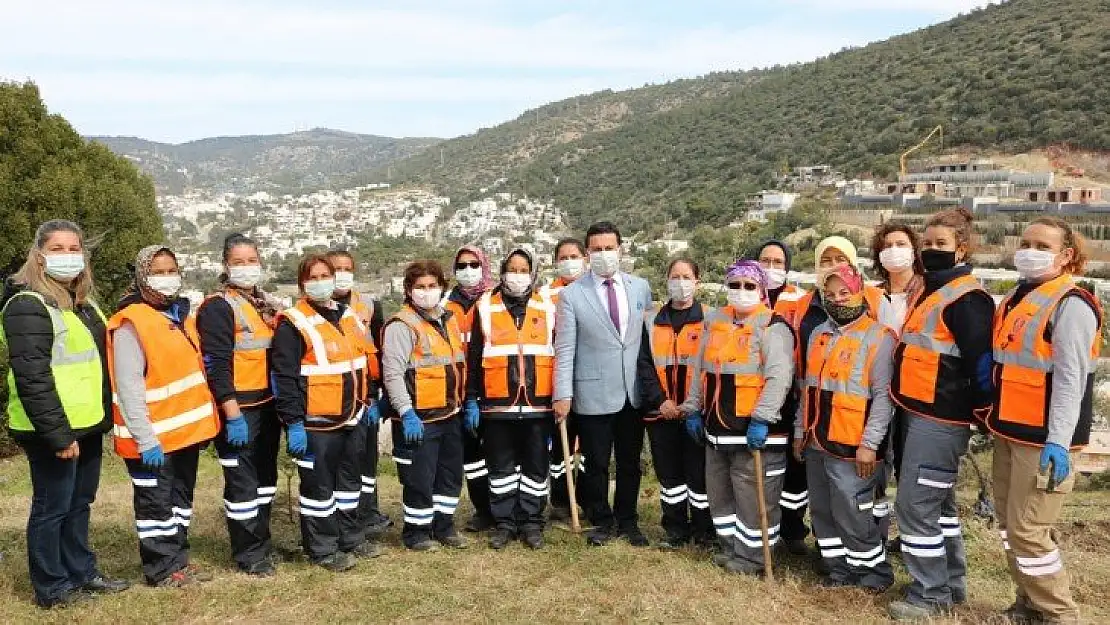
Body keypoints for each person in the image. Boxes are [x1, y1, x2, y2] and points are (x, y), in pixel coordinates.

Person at [0, 220, 129, 608]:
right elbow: (32, 376)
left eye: (74, 248)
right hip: (51, 429)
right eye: (57, 248)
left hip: (87, 424)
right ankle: (52, 587)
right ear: (38, 255)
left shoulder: (82, 305)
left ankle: (82, 572)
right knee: (51, 507)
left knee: (79, 502)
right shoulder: (27, 305)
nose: (68, 255)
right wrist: (58, 434)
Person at [989, 218, 1100, 625]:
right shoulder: (1018, 298)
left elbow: (1071, 379)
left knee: (1029, 531)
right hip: (1009, 431)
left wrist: (1058, 441)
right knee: (1009, 528)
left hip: (1043, 442)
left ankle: (1060, 615)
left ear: (1066, 255)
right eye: (1026, 242)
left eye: (1042, 244)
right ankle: (1029, 605)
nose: (1030, 250)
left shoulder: (1071, 304)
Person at [887, 207, 995, 621]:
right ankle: (950, 585)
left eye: (940, 244)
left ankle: (929, 594)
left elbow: (981, 364)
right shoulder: (933, 291)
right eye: (926, 243)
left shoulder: (968, 299)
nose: (931, 250)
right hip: (917, 411)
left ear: (962, 249)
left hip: (941, 418)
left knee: (915, 505)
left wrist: (983, 411)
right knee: (940, 508)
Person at [107, 245, 220, 587]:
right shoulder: (131, 324)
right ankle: (161, 568)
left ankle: (178, 559)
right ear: (142, 276)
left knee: (179, 502)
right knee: (156, 506)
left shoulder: (179, 317)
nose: (167, 277)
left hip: (183, 435)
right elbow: (128, 389)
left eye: (172, 270)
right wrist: (145, 440)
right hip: (151, 439)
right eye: (159, 271)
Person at [678, 260, 793, 575]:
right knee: (720, 494)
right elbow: (699, 370)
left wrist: (762, 418)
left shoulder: (773, 325)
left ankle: (754, 558)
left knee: (754, 500)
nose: (741, 292)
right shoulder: (715, 320)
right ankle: (731, 549)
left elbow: (778, 377)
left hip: (752, 429)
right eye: (734, 285)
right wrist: (692, 408)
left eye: (749, 286)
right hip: (716, 428)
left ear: (761, 290)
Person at [795, 265, 897, 592]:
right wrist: (800, 432)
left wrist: (869, 444)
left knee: (854, 513)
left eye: (845, 293)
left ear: (860, 293)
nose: (838, 300)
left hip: (853, 447)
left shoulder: (880, 338)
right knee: (823, 511)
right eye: (830, 294)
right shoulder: (818, 334)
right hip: (817, 440)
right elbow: (807, 389)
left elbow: (884, 398)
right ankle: (839, 572)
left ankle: (873, 575)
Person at [553, 222, 653, 547]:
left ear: (621, 249)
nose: (603, 254)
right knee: (595, 463)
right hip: (592, 391)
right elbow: (565, 348)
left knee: (629, 461)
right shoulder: (571, 294)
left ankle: (628, 520)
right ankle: (602, 519)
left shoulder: (640, 288)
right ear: (587, 254)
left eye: (609, 248)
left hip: (631, 393)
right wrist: (562, 394)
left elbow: (648, 341)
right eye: (596, 249)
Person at [271, 254, 371, 571]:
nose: (321, 281)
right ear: (302, 284)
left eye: (325, 275)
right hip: (316, 424)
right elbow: (284, 377)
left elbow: (362, 361)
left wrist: (368, 401)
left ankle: (350, 538)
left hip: (352, 417)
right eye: (313, 277)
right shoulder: (292, 322)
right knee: (318, 489)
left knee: (348, 484)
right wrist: (294, 424)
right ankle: (322, 548)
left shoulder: (347, 315)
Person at [194, 234, 282, 576]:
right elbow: (216, 363)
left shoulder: (264, 305)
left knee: (265, 480)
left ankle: (262, 541)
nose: (246, 268)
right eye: (238, 262)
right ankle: (249, 553)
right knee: (243, 483)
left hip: (266, 405)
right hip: (239, 409)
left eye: (251, 260)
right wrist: (231, 413)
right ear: (225, 266)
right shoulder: (218, 307)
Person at [466, 248, 555, 549]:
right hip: (497, 403)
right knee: (501, 467)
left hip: (538, 403)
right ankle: (504, 522)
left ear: (532, 273)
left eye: (523, 269)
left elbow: (559, 351)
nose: (517, 275)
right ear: (502, 272)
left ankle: (531, 522)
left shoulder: (547, 306)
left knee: (535, 466)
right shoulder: (484, 306)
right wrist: (471, 398)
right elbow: (474, 354)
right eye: (512, 269)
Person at [382, 260, 468, 551]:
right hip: (420, 419)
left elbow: (456, 364)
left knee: (449, 476)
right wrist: (406, 413)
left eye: (432, 286)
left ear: (442, 288)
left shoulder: (449, 319)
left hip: (450, 413)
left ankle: (444, 526)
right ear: (409, 290)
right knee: (420, 479)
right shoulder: (401, 325)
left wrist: (465, 404)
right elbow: (393, 374)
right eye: (420, 287)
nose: (427, 292)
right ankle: (417, 533)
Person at [641, 258, 713, 549]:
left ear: (697, 280)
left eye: (686, 276)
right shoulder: (651, 319)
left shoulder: (712, 319)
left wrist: (692, 406)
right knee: (669, 477)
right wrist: (661, 401)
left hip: (697, 413)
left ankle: (705, 532)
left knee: (699, 477)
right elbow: (644, 365)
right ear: (666, 280)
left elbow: (712, 367)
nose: (680, 283)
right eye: (675, 276)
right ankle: (675, 530)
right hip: (662, 413)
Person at [327, 250, 391, 543]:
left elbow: (379, 349)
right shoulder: (314, 309)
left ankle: (369, 512)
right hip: (333, 396)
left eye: (346, 268)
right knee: (342, 461)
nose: (341, 274)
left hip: (367, 393)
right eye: (335, 269)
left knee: (367, 459)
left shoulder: (368, 305)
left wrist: (378, 395)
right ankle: (341, 518)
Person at [756, 240, 810, 555]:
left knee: (794, 467)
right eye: (765, 260)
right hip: (754, 395)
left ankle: (792, 530)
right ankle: (763, 527)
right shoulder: (746, 293)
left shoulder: (799, 301)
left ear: (787, 267)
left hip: (791, 396)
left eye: (778, 262)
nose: (771, 267)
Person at [444, 245, 496, 533]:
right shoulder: (443, 304)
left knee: (500, 454)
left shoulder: (493, 301)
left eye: (473, 264)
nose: (467, 270)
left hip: (493, 388)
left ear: (484, 266)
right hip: (458, 392)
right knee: (473, 458)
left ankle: (504, 507)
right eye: (461, 265)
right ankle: (482, 509)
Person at [543, 237, 587, 522]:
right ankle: (560, 500)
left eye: (574, 255)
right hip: (558, 377)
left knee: (587, 446)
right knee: (561, 445)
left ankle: (585, 498)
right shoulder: (546, 296)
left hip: (590, 377)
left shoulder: (592, 290)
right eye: (563, 256)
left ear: (584, 258)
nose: (569, 261)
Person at [872, 223, 925, 328]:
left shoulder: (927, 290)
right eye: (888, 246)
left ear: (914, 252)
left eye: (901, 244)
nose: (893, 249)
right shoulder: (873, 295)